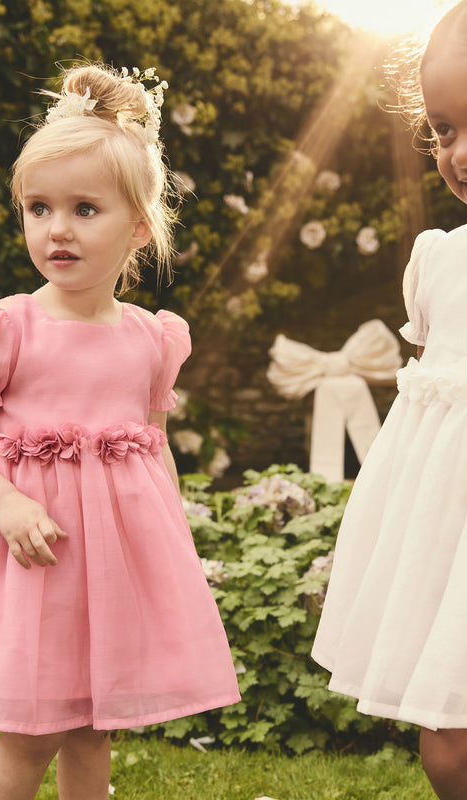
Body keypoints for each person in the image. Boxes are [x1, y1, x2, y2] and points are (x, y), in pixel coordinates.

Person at [0, 63, 240, 800]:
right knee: (30, 731)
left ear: (139, 225)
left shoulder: (150, 340)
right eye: (38, 208)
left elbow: (152, 450)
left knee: (92, 729)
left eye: (85, 209)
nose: (57, 229)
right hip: (33, 559)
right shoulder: (6, 330)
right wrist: (4, 500)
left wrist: (170, 545)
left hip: (110, 570)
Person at [311, 3, 467, 798]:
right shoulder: (438, 260)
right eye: (444, 129)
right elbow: (430, 410)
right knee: (449, 746)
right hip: (453, 544)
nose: (458, 153)